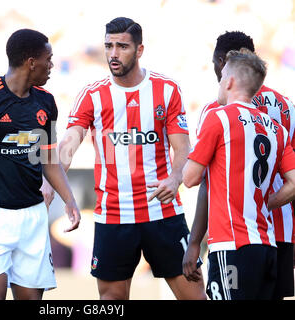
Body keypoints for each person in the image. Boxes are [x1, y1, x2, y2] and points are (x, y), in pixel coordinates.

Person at [53, 17, 206, 300]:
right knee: (111, 300)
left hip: (163, 212)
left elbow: (183, 148)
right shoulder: (92, 94)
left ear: (139, 50)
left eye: (122, 46)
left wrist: (175, 179)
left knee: (195, 296)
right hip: (113, 215)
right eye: (108, 46)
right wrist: (52, 188)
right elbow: (68, 145)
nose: (113, 53)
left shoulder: (166, 89)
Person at [0, 28, 81, 300]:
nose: (52, 65)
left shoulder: (46, 102)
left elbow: (49, 160)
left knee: (31, 298)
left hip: (32, 216)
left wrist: (69, 200)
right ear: (31, 62)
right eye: (49, 58)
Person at [184, 31, 295, 300]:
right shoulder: (285, 112)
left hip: (233, 237)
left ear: (225, 67)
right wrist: (263, 204)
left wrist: (195, 242)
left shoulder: (216, 113)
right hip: (274, 234)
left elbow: (195, 180)